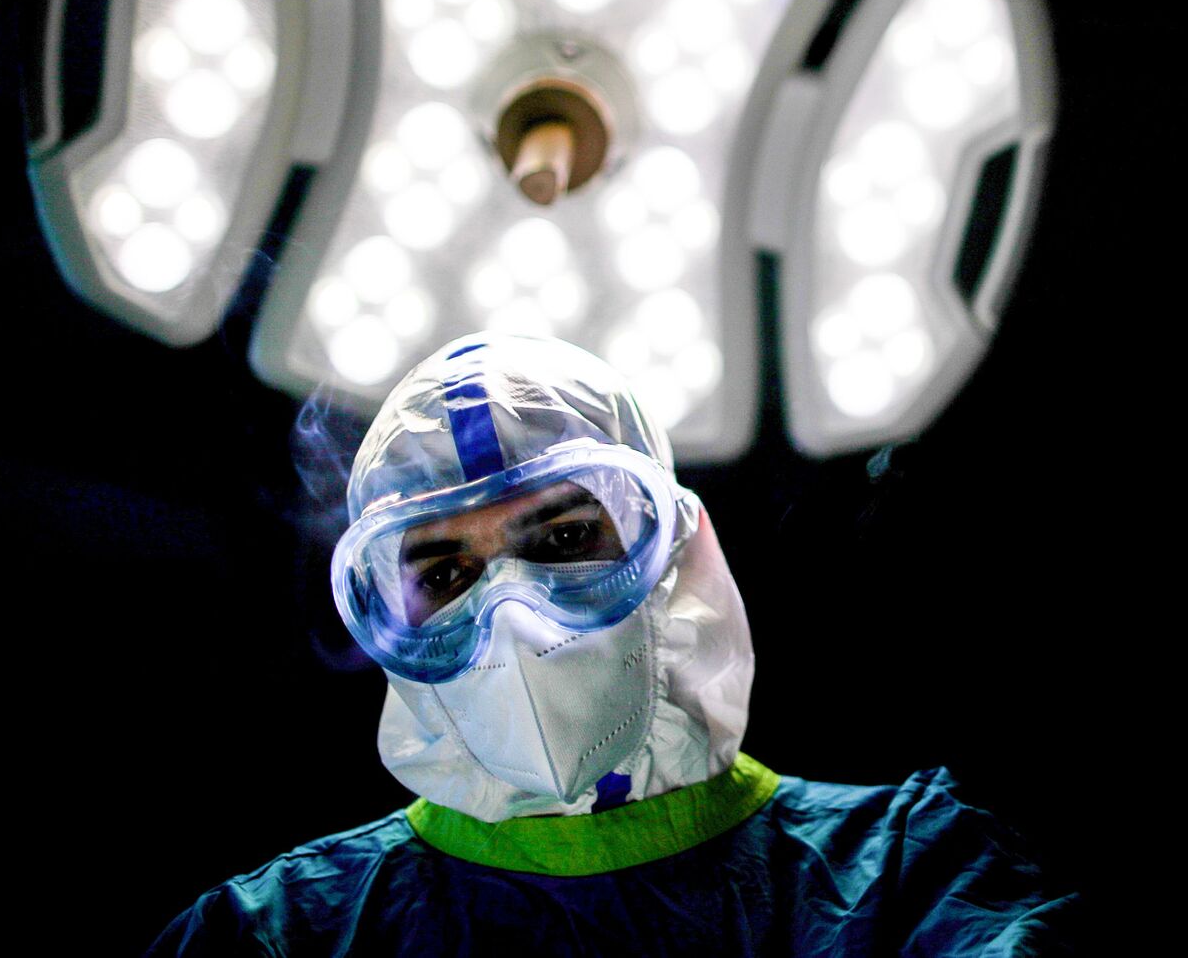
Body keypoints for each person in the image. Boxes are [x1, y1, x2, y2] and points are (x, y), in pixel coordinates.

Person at [146, 332, 1079, 955]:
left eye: (562, 540)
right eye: (444, 575)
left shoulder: (910, 882)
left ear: (673, 553)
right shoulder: (272, 940)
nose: (514, 613)